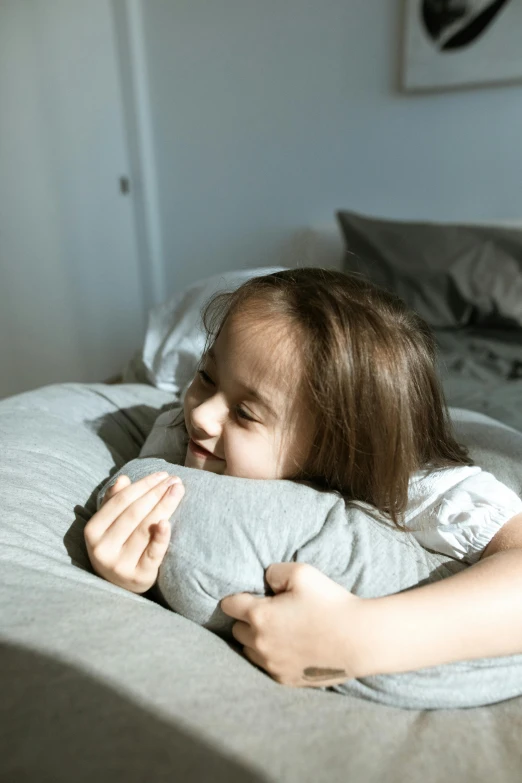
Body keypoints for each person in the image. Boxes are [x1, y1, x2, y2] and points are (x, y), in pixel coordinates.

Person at [84, 268, 522, 688]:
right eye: (206, 376)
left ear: (339, 444)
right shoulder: (176, 433)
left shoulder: (416, 486)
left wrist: (358, 638)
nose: (199, 414)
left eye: (245, 413)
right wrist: (133, 578)